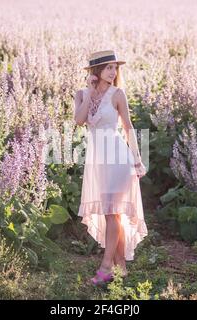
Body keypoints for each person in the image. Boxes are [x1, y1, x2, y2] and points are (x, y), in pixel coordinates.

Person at [73, 50, 148, 285]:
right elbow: (79, 120)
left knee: (112, 212)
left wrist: (137, 158)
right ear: (95, 71)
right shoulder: (81, 94)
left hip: (118, 158)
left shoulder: (118, 94)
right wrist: (90, 91)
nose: (113, 72)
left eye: (115, 68)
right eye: (108, 68)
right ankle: (121, 268)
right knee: (112, 213)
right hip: (97, 161)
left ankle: (106, 268)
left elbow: (128, 127)